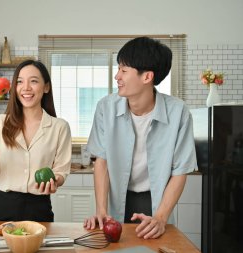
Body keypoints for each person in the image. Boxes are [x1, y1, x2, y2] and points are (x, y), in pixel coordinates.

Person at [83, 37, 197, 239]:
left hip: (156, 199)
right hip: (118, 196)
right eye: (118, 69)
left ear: (147, 77)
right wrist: (101, 209)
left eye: (124, 71)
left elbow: (180, 171)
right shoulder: (105, 108)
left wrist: (161, 218)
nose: (117, 76)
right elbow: (102, 160)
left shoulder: (179, 113)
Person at [0, 60, 72, 222]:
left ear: (46, 87)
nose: (26, 87)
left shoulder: (60, 127)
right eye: (20, 82)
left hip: (40, 208)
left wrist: (55, 180)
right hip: (2, 208)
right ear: (15, 87)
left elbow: (61, 171)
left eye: (34, 81)